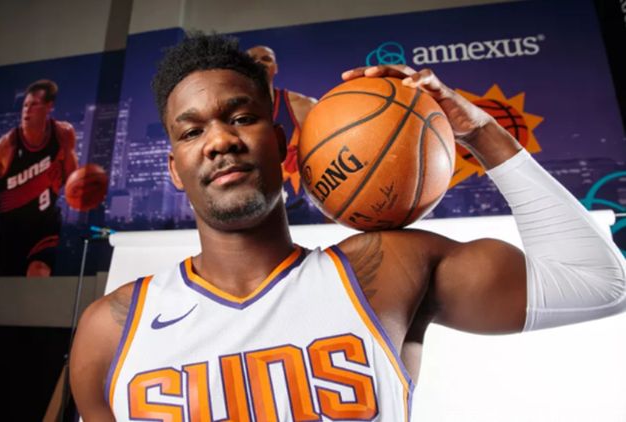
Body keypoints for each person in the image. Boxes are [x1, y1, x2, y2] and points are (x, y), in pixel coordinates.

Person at [69, 33, 625, 421]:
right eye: (192, 132)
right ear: (174, 169)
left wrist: (478, 131)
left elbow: (601, 283)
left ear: (282, 142)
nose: (219, 140)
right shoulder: (110, 329)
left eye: (241, 117)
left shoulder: (388, 269)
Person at [0, 79, 77, 276]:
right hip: (10, 235)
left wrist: (79, 186)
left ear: (49, 107)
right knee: (11, 288)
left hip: (46, 229)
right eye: (25, 105)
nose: (27, 109)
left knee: (38, 271)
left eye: (34, 104)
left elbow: (72, 180)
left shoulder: (63, 134)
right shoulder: (6, 146)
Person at [247, 44, 324, 224]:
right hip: (249, 213)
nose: (259, 62)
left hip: (298, 211)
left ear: (275, 67)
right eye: (252, 59)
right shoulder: (227, 111)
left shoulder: (302, 106)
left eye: (266, 59)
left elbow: (331, 151)